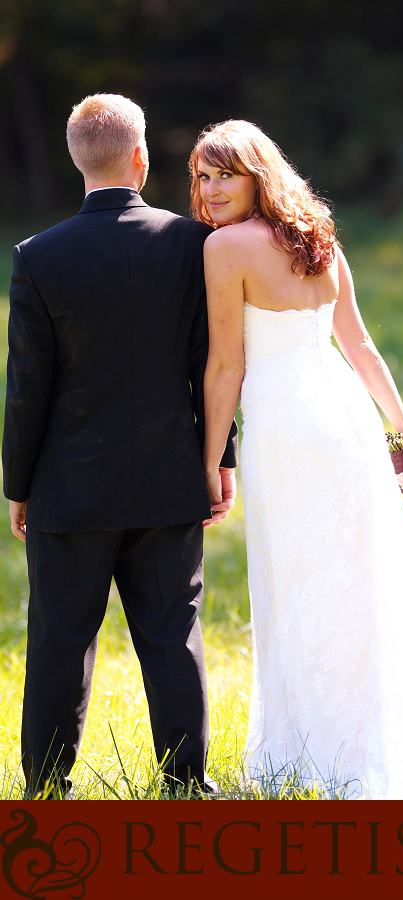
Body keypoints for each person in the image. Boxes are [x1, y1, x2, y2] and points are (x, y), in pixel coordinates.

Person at [190, 119, 403, 799]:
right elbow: (362, 350)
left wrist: (209, 460)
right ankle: (362, 731)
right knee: (358, 578)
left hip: (287, 429)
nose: (210, 188)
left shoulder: (225, 249)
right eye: (201, 175)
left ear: (260, 174)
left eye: (225, 173)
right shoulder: (317, 240)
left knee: (302, 580)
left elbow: (226, 364)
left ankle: (319, 747)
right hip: (342, 418)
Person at [1, 94, 238, 799]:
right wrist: (220, 462)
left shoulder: (38, 257)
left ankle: (46, 790)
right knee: (172, 636)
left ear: (79, 161)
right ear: (140, 157)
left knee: (58, 643)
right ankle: (185, 787)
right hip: (171, 481)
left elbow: (26, 389)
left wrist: (18, 486)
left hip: (67, 489)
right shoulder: (191, 244)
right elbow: (218, 365)